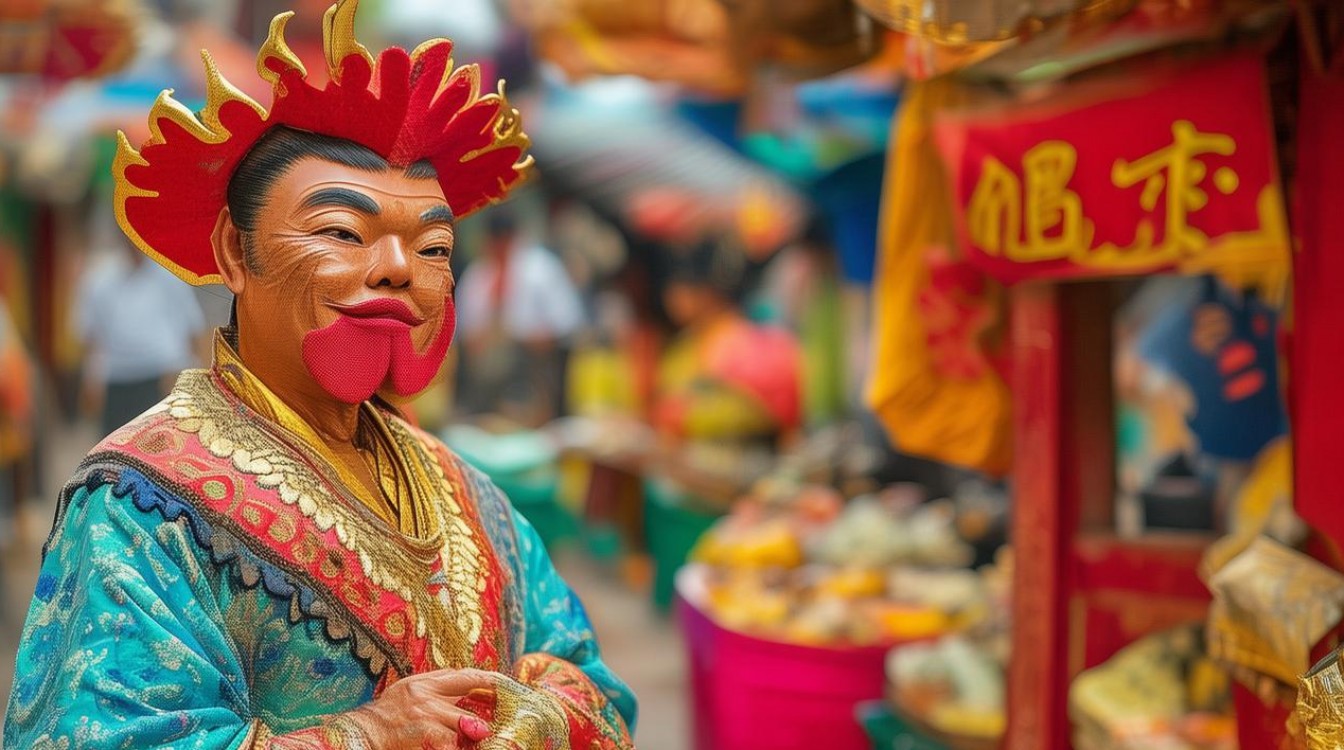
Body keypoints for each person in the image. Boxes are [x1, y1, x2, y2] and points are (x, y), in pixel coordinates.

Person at [3, 2, 636, 748]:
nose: (401, 269)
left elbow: (588, 673)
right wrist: (366, 736)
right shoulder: (141, 506)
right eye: (342, 232)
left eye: (433, 247)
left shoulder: (467, 493)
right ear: (237, 255)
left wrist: (539, 716)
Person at [455, 211, 584, 424]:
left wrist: (523, 338)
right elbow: (464, 331)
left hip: (534, 373)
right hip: (486, 382)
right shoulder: (478, 275)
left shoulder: (541, 269)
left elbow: (566, 323)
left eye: (504, 241)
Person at [77, 236, 207, 437]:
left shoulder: (171, 276)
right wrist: (92, 380)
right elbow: (92, 338)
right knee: (116, 455)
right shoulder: (101, 280)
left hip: (160, 379)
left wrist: (188, 382)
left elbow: (191, 332)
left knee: (160, 451)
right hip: (117, 381)